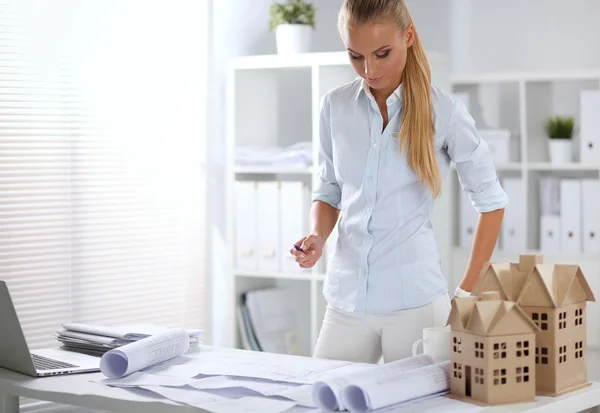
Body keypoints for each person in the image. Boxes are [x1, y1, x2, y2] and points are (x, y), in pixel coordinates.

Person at [290, 0, 508, 364]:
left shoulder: (444, 111)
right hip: (347, 301)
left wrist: (466, 292)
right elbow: (329, 189)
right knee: (323, 399)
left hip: (416, 307)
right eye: (355, 56)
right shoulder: (335, 107)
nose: (369, 69)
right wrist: (316, 237)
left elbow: (492, 202)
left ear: (407, 36)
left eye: (382, 53)